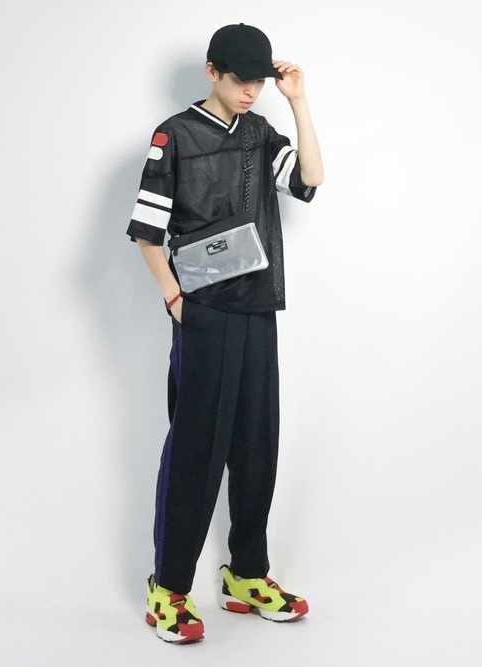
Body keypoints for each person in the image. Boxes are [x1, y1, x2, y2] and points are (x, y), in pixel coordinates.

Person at [126, 22, 324, 644]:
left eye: (259, 82)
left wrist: (298, 101)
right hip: (204, 313)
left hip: (258, 307)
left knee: (257, 442)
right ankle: (168, 588)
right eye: (241, 80)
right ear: (212, 71)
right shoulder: (174, 135)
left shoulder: (261, 132)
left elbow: (311, 180)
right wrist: (174, 298)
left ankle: (247, 575)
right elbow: (146, 231)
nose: (250, 92)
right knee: (197, 447)